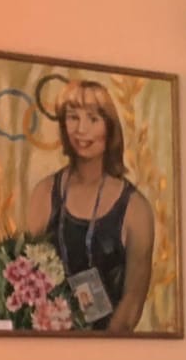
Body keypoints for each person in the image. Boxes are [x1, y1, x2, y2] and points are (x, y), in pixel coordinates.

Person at [25, 81, 155, 333]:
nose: (81, 129)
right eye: (73, 117)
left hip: (110, 347)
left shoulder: (136, 209)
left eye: (93, 119)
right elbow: (28, 277)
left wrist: (97, 348)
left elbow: (132, 301)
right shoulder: (44, 194)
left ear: (110, 127)